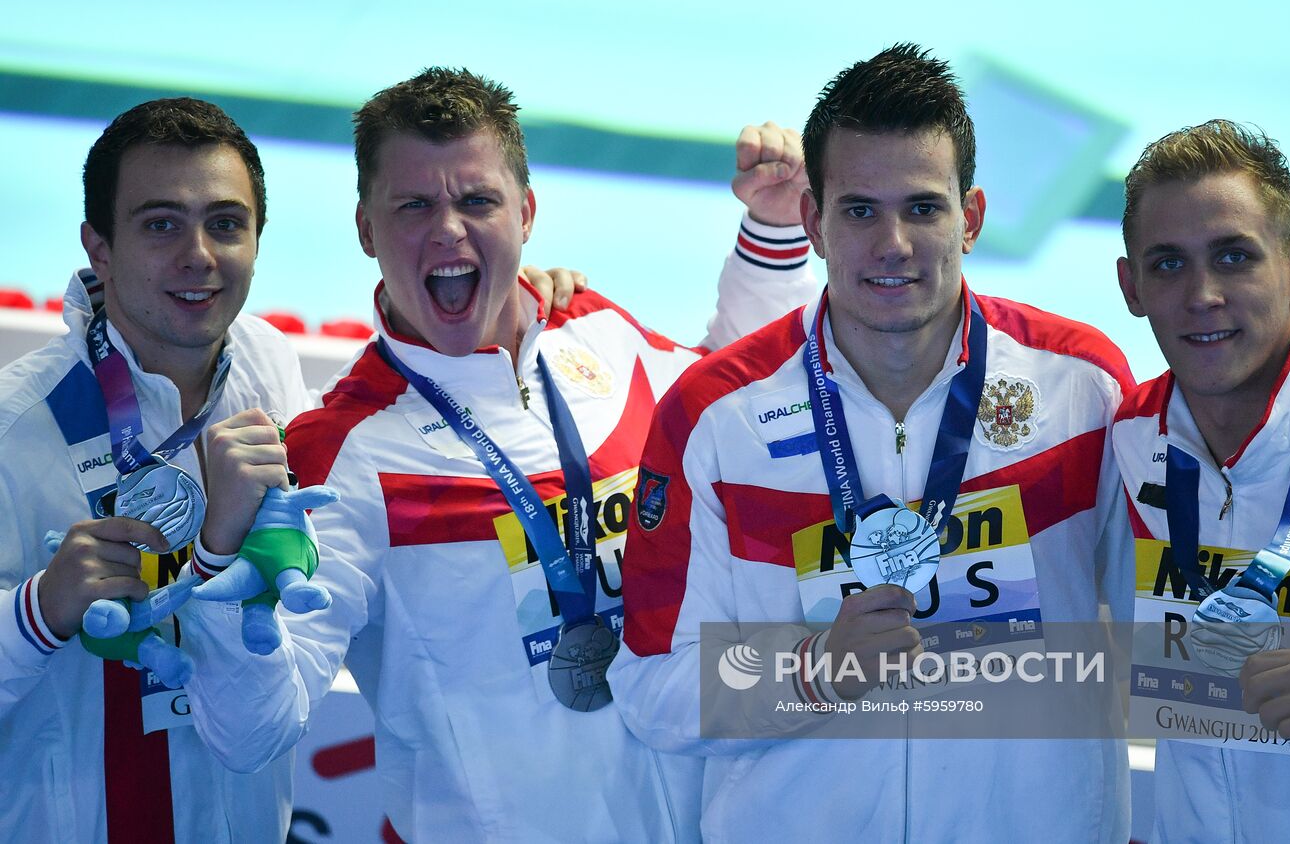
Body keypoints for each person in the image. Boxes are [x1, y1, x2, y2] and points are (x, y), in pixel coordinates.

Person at [178, 66, 819, 841]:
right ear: (366, 230)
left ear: (527, 213)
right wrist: (218, 577)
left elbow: (735, 407)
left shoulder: (600, 334)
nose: (447, 228)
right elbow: (251, 733)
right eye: (413, 204)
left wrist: (776, 235)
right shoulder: (342, 452)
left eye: (476, 200)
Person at [608, 43, 1136, 842]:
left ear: (974, 219)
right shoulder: (716, 415)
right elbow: (652, 688)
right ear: (814, 222)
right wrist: (813, 672)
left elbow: (1170, 632)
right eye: (860, 210)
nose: (892, 243)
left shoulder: (1081, 388)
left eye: (923, 207)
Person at [0, 98, 310, 842]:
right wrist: (36, 613)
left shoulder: (271, 372)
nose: (199, 254)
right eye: (161, 223)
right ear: (98, 248)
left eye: (226, 223)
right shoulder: (16, 423)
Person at [1113, 119, 1290, 841]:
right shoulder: (1125, 435)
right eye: (1168, 263)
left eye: (1234, 256)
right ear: (1131, 286)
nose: (1202, 294)